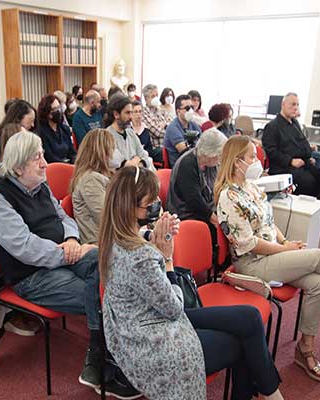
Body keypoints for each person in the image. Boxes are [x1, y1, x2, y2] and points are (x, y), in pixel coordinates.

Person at [99, 165, 284, 400]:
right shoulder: (140, 257)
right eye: (150, 202)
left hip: (151, 317)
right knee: (241, 344)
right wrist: (167, 257)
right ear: (130, 208)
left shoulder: (114, 235)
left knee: (250, 317)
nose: (157, 204)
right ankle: (269, 394)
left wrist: (155, 235)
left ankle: (271, 394)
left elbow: (138, 239)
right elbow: (175, 308)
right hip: (152, 337)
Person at [0, 131, 139, 397]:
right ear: (18, 167)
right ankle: (105, 368)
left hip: (65, 255)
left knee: (115, 264)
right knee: (108, 293)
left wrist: (71, 239)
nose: (45, 163)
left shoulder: (40, 186)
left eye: (43, 155)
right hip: (32, 276)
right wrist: (67, 254)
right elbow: (25, 247)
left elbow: (64, 218)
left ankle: (99, 360)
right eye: (37, 158)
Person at [215, 135, 320, 382]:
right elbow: (249, 244)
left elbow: (268, 222)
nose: (258, 161)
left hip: (270, 254)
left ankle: (305, 349)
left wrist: (285, 242)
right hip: (252, 263)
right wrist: (286, 250)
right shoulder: (228, 197)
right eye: (252, 157)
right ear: (236, 162)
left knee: (319, 284)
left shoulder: (252, 186)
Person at [167, 129, 227, 267]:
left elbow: (217, 187)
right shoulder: (187, 164)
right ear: (209, 154)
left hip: (204, 209)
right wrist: (215, 219)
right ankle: (218, 265)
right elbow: (194, 201)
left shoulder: (210, 164)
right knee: (221, 229)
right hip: (186, 213)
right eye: (219, 155)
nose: (220, 159)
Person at [262, 93, 320, 199]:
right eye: (292, 104)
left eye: (297, 104)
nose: (295, 107)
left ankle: (315, 204)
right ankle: (305, 204)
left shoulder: (294, 123)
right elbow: (271, 151)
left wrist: (308, 155)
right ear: (283, 104)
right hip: (283, 167)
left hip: (301, 163)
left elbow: (301, 142)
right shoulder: (272, 126)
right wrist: (290, 161)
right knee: (309, 182)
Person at [70, 128, 114, 244]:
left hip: (112, 238)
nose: (113, 154)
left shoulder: (102, 175)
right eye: (112, 149)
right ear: (102, 152)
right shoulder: (90, 179)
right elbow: (106, 218)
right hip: (100, 243)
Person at [106, 94, 154, 171]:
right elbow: (120, 165)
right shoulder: (107, 136)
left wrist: (136, 163)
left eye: (131, 113)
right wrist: (136, 159)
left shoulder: (130, 133)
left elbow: (144, 156)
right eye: (127, 113)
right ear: (116, 114)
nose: (131, 117)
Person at [163, 94, 202, 168]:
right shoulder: (173, 128)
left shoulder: (193, 124)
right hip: (180, 166)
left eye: (192, 107)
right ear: (178, 111)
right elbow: (184, 150)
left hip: (195, 162)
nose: (190, 111)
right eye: (187, 108)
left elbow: (203, 141)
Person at [36, 94, 76, 164]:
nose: (58, 111)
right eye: (54, 109)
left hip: (69, 164)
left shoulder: (65, 129)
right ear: (47, 113)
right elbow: (49, 157)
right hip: (53, 166)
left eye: (59, 107)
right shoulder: (41, 132)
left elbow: (72, 152)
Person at [141, 84, 173, 149]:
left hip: (168, 145)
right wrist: (165, 124)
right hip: (157, 148)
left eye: (156, 95)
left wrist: (163, 124)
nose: (156, 98)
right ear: (146, 98)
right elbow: (157, 133)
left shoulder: (161, 110)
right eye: (153, 96)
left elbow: (171, 123)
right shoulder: (143, 113)